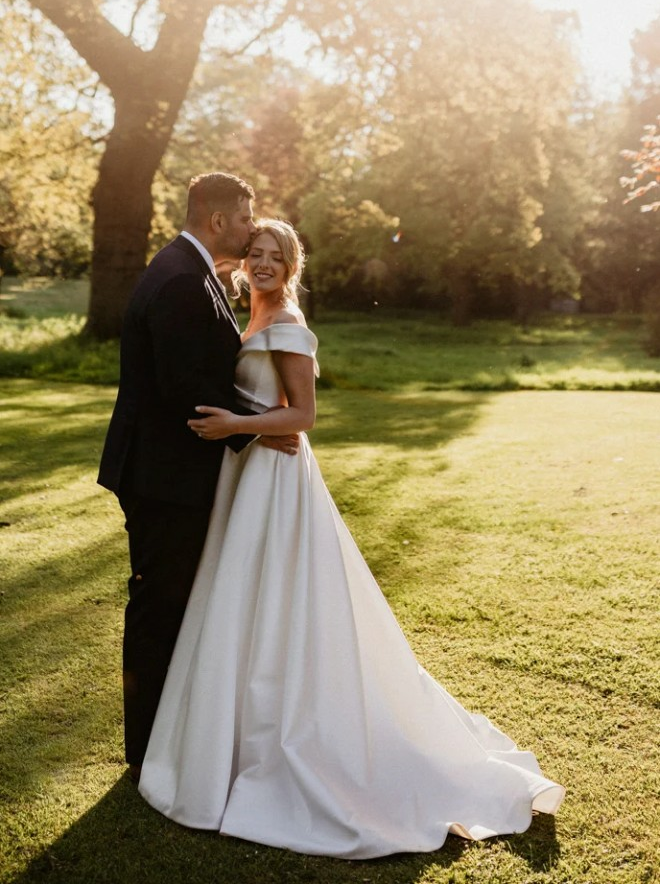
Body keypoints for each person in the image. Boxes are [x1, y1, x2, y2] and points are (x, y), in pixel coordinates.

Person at [138, 219, 565, 859]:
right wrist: (246, 424)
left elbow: (304, 416)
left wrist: (235, 424)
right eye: (254, 253)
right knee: (239, 603)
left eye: (273, 257)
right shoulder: (250, 313)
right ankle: (227, 740)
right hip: (251, 468)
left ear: (291, 265)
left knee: (277, 602)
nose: (260, 264)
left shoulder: (285, 321)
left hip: (275, 477)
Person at [97, 174, 298, 781]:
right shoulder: (184, 279)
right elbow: (185, 387)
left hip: (167, 471)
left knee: (173, 602)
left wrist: (260, 418)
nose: (250, 228)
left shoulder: (192, 270)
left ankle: (166, 735)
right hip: (164, 477)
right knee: (160, 605)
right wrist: (261, 425)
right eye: (245, 219)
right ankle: (148, 750)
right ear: (217, 220)